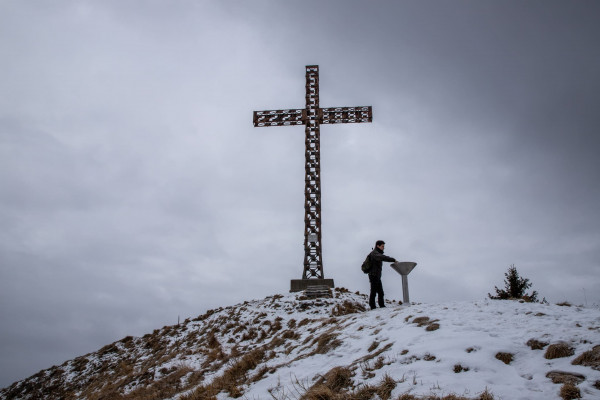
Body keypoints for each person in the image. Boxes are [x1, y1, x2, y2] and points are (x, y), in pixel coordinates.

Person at [368, 240, 396, 310]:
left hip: (377, 275)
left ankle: (382, 306)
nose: (383, 248)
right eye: (382, 246)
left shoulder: (377, 253)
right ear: (378, 246)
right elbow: (383, 257)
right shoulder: (375, 253)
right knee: (374, 291)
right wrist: (393, 260)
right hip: (373, 275)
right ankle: (373, 306)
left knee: (380, 292)